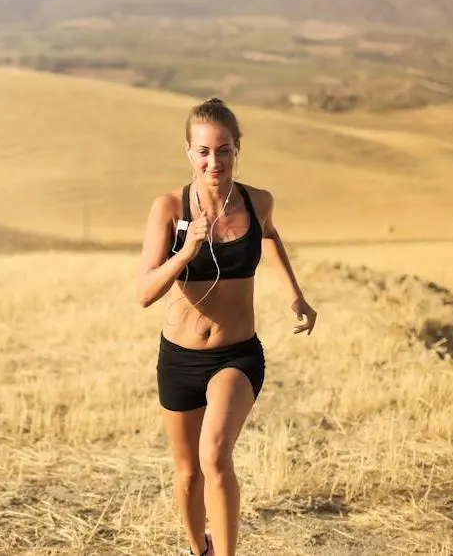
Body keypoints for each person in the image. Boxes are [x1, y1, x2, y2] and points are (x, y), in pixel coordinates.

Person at [136, 97, 317, 556]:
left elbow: (270, 236)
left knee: (214, 456)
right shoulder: (170, 208)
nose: (213, 161)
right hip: (178, 359)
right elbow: (144, 293)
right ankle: (201, 550)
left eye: (224, 150)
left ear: (238, 150)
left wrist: (295, 293)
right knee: (187, 473)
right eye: (203, 151)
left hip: (236, 355)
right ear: (188, 153)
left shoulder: (257, 202)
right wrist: (185, 251)